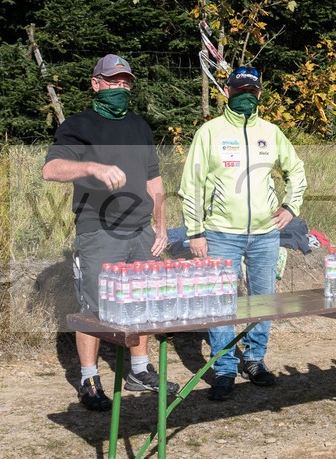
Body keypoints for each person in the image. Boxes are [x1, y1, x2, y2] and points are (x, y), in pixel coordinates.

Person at [43, 54, 180, 410]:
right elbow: (51, 169)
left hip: (141, 231)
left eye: (125, 82)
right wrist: (92, 167)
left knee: (142, 301)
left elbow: (154, 178)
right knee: (95, 307)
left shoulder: (140, 126)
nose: (120, 88)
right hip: (98, 229)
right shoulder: (78, 125)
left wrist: (160, 222)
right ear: (96, 83)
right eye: (113, 81)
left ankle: (139, 370)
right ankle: (89, 380)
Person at [178, 66, 307, 400]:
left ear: (260, 93)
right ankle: (223, 369)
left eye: (252, 90)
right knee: (221, 303)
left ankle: (254, 360)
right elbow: (190, 186)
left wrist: (291, 207)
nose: (245, 96)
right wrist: (195, 232)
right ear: (228, 92)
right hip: (220, 233)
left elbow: (296, 170)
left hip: (266, 235)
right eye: (239, 90)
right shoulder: (210, 132)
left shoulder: (271, 132)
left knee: (261, 299)